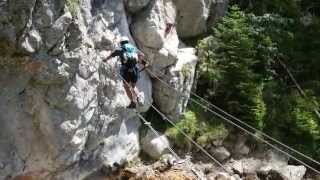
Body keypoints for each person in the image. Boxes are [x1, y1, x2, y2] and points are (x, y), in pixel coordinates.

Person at [103, 36, 147, 109]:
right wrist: (141, 62)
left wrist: (105, 59)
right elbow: (142, 55)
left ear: (121, 43)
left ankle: (133, 102)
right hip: (135, 70)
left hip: (126, 70)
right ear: (128, 41)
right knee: (133, 86)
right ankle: (139, 96)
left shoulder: (121, 49)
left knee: (126, 86)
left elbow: (112, 55)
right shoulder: (133, 48)